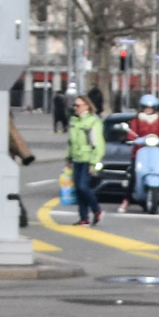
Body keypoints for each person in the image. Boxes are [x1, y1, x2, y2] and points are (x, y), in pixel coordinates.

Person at [65, 94, 104, 226]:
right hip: (77, 159)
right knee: (78, 189)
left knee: (83, 187)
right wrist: (68, 158)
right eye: (75, 105)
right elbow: (71, 142)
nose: (75, 108)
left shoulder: (93, 122)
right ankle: (84, 217)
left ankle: (97, 210)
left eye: (78, 105)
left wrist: (94, 162)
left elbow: (98, 144)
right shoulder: (74, 121)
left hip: (87, 159)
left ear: (86, 106)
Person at [130, 126, 159, 214]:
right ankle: (126, 200)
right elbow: (132, 131)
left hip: (157, 156)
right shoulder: (138, 119)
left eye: (151, 110)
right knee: (132, 175)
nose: (148, 111)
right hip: (139, 152)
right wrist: (131, 139)